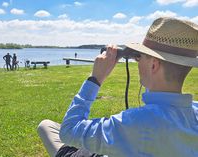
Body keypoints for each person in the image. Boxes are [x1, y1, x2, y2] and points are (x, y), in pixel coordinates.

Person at [37, 17, 198, 157]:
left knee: (46, 126)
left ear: (154, 65)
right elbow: (162, 101)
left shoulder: (135, 123)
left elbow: (69, 130)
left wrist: (95, 78)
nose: (137, 61)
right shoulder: (194, 114)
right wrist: (146, 62)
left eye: (139, 57)